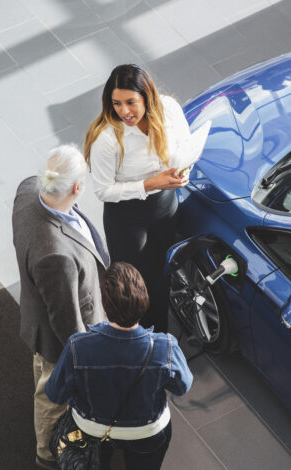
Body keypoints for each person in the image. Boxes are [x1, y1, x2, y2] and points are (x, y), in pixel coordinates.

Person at [12, 144, 110, 469]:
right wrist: (86, 359)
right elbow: (66, 321)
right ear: (77, 188)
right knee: (52, 395)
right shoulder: (56, 256)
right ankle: (45, 454)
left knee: (42, 373)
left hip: (35, 310)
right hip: (55, 336)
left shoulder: (27, 190)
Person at [46, 262, 193, 470]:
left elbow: (55, 393)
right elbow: (182, 386)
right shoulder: (165, 347)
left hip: (92, 429)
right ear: (144, 300)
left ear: (105, 306)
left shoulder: (78, 346)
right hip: (147, 431)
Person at [84, 64, 190, 333]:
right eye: (116, 103)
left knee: (161, 278)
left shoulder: (169, 110)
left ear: (147, 97)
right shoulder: (107, 139)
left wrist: (184, 170)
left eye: (131, 102)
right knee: (132, 287)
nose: (123, 111)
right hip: (127, 219)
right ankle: (135, 338)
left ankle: (162, 336)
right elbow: (103, 190)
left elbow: (185, 145)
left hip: (165, 206)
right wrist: (151, 183)